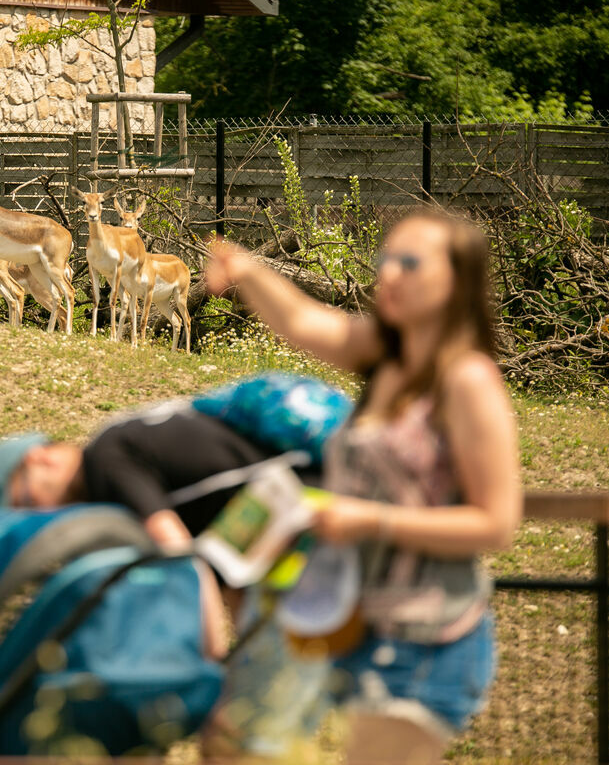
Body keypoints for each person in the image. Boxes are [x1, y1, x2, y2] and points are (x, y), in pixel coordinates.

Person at [202, 208, 522, 764]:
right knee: (237, 745)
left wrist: (369, 520)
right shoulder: (385, 357)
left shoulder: (468, 380)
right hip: (356, 629)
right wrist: (247, 270)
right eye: (385, 259)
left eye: (410, 262)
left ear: (458, 281)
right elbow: (303, 322)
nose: (388, 274)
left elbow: (497, 523)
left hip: (428, 642)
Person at [0, 399, 324, 661]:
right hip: (288, 524)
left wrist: (213, 661)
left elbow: (179, 551)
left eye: (25, 501)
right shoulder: (110, 468)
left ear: (40, 458)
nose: (39, 515)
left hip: (311, 508)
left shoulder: (105, 460)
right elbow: (220, 558)